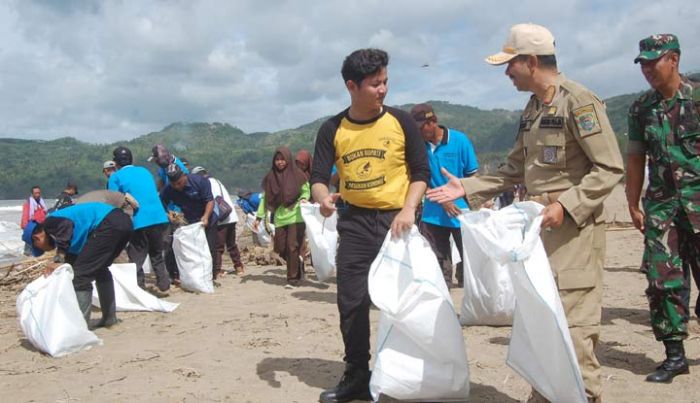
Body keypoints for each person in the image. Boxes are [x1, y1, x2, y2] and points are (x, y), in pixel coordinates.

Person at [426, 24, 623, 403]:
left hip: (573, 235)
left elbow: (609, 168)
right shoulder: (532, 108)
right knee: (542, 324)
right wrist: (466, 188)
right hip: (537, 233)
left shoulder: (579, 102)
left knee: (573, 329)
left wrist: (565, 206)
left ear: (531, 62)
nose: (506, 73)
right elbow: (514, 170)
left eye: (510, 64)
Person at [310, 48, 429, 403]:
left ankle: (415, 374)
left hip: (399, 222)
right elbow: (318, 177)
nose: (383, 90)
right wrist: (323, 198)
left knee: (409, 301)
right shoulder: (333, 128)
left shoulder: (402, 121)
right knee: (352, 300)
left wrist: (408, 209)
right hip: (356, 224)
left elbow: (421, 173)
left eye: (385, 82)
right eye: (375, 84)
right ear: (352, 86)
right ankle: (357, 373)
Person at [626, 34, 700, 383]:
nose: (647, 69)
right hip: (661, 208)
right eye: (642, 63)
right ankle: (674, 356)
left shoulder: (698, 99)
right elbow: (636, 156)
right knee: (662, 281)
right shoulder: (641, 108)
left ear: (674, 59)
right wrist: (632, 200)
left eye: (654, 61)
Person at [22, 202, 132, 328]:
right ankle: (109, 319)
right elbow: (71, 258)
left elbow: (66, 225)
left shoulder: (49, 223)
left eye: (40, 248)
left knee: (80, 277)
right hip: (123, 223)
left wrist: (58, 259)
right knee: (100, 269)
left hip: (108, 223)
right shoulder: (66, 239)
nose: (46, 250)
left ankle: (80, 328)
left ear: (37, 238)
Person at [410, 103, 479, 288]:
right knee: (437, 262)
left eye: (421, 127)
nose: (418, 132)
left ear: (433, 122)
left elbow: (473, 175)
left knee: (469, 261)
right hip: (432, 214)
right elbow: (417, 178)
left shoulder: (459, 140)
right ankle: (443, 297)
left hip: (461, 212)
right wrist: (442, 201)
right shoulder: (418, 146)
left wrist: (470, 201)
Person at [109, 146, 171, 295]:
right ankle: (164, 284)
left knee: (136, 256)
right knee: (156, 254)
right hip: (159, 217)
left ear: (116, 162)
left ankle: (140, 288)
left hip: (139, 220)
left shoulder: (115, 177)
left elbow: (113, 201)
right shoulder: (144, 171)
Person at [255, 147, 309, 287]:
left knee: (292, 246)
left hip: (296, 216)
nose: (280, 162)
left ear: (288, 160)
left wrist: (303, 198)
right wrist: (259, 218)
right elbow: (265, 198)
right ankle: (298, 263)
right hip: (279, 217)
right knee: (280, 248)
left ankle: (292, 279)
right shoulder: (271, 177)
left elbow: (305, 190)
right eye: (277, 160)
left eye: (282, 159)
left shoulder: (297, 175)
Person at [159, 164, 219, 279]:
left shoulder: (200, 182)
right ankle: (188, 276)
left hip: (208, 218)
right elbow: (160, 202)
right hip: (190, 221)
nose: (177, 187)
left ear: (184, 176)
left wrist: (206, 216)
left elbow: (209, 201)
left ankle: (210, 277)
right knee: (190, 250)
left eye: (179, 183)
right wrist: (168, 213)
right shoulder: (169, 189)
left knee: (209, 248)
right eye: (174, 184)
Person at [192, 166, 245, 275]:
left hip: (221, 218)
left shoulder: (206, 183)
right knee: (231, 244)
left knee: (218, 246)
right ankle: (238, 266)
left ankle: (217, 270)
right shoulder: (217, 181)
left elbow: (208, 200)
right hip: (231, 215)